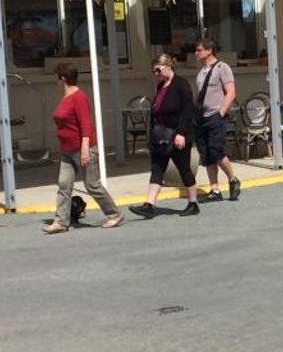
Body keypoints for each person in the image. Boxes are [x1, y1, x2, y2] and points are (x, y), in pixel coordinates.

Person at [44, 62, 123, 234]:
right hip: (66, 150)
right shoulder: (65, 98)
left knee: (92, 185)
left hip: (82, 149)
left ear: (63, 79)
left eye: (57, 79)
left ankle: (114, 214)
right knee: (64, 185)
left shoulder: (78, 97)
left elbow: (85, 124)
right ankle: (61, 222)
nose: (56, 82)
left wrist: (85, 148)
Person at [133, 53, 200, 218]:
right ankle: (149, 204)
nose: (156, 74)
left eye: (158, 70)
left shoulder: (181, 85)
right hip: (161, 134)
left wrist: (181, 133)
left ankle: (193, 203)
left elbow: (187, 111)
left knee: (184, 169)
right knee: (157, 168)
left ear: (168, 66)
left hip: (177, 134)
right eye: (153, 71)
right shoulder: (160, 86)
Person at [193, 38, 241, 201]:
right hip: (202, 117)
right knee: (206, 154)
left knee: (217, 151)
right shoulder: (201, 72)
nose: (196, 53)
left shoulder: (222, 68)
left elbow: (231, 92)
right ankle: (215, 189)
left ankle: (233, 179)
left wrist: (221, 112)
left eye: (199, 50)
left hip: (216, 116)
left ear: (209, 51)